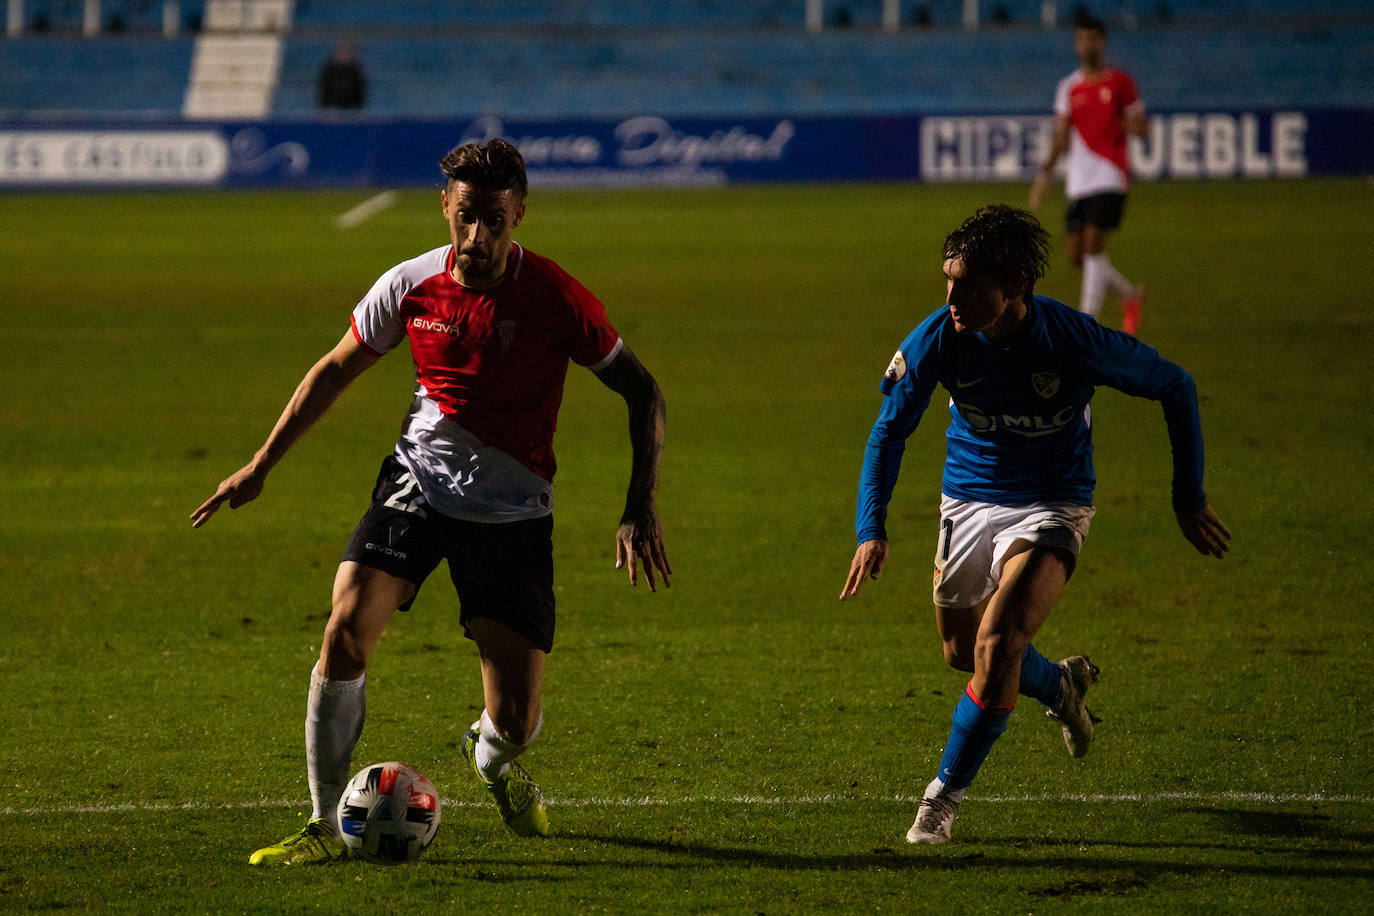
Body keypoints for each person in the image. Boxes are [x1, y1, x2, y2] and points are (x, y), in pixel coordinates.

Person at [191, 138, 671, 865]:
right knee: (345, 629)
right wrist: (262, 463)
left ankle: (491, 759)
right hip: (418, 482)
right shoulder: (412, 284)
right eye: (467, 216)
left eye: (496, 221)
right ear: (445, 204)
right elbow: (334, 368)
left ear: (520, 216)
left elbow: (643, 391)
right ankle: (324, 825)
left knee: (516, 718)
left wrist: (639, 505)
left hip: (512, 515)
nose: (478, 237)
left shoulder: (554, 297)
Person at [839, 205, 1229, 845]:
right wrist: (869, 528)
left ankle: (942, 798)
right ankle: (1062, 683)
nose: (952, 296)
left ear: (1015, 283)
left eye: (967, 284)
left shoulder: (1073, 339)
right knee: (963, 654)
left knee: (997, 644)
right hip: (967, 499)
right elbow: (888, 432)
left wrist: (1189, 497)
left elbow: (1175, 386)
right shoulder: (941, 337)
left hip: (1053, 500)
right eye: (947, 280)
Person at [1029, 13, 1148, 335]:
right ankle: (1129, 294)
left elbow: (1142, 127)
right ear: (1076, 45)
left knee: (1095, 246)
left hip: (1110, 175)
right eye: (1082, 39)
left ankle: (1085, 325)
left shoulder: (1120, 82)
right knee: (1077, 256)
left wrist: (1130, 124)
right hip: (1079, 181)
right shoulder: (1068, 87)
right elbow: (1060, 135)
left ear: (1102, 43)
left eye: (1093, 39)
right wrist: (1044, 177)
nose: (1087, 45)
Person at [317, 40, 366, 110]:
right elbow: (324, 89)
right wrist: (324, 108)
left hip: (351, 108)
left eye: (347, 52)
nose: (345, 54)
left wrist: (358, 109)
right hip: (332, 107)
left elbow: (360, 91)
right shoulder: (329, 69)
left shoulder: (355, 70)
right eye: (342, 51)